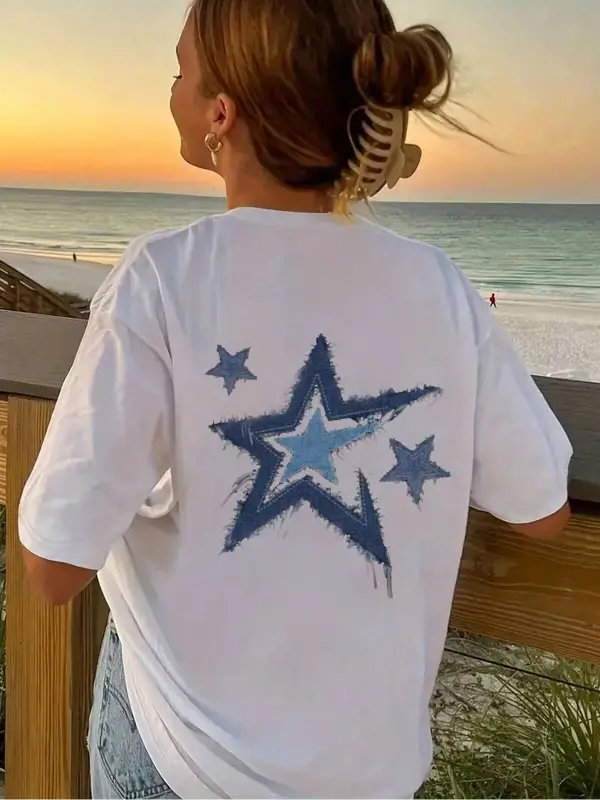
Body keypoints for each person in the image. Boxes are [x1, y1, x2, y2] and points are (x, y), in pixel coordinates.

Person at [19, 1, 572, 798]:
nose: (170, 90)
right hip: (370, 775)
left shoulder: (163, 278)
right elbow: (541, 508)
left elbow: (52, 566)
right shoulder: (440, 286)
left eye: (179, 72)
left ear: (219, 114)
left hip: (187, 766)